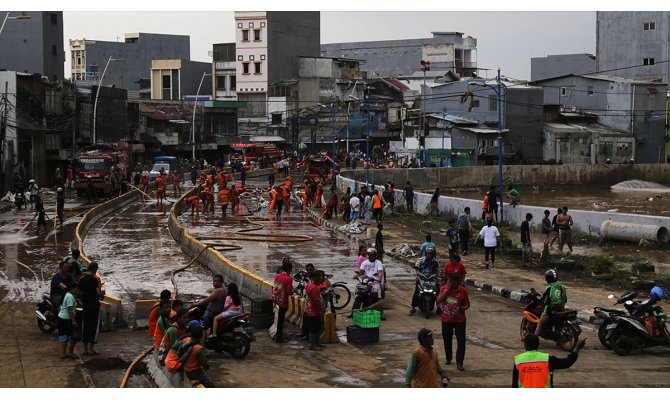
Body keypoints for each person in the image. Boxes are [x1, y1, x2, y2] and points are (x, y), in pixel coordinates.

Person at [513, 334, 586, 388]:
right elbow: (567, 363)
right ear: (538, 345)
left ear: (525, 345)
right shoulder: (548, 359)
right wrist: (577, 349)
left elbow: (514, 385)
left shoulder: (518, 361)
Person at [436, 274, 470, 371]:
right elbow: (438, 300)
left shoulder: (463, 291)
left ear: (458, 283)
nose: (453, 284)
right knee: (447, 339)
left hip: (459, 319)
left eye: (455, 283)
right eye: (451, 282)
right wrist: (447, 291)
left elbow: (467, 304)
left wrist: (463, 308)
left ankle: (459, 362)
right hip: (446, 319)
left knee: (461, 341)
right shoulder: (444, 289)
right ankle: (448, 357)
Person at [79, 261, 104, 356]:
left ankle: (85, 349)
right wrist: (102, 293)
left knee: (85, 326)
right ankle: (91, 349)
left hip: (85, 305)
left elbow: (78, 293)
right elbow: (98, 294)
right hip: (94, 306)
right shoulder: (96, 279)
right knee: (94, 326)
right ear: (95, 269)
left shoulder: (81, 279)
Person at [534, 269, 567, 336]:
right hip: (561, 309)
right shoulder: (562, 287)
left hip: (551, 311)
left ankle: (534, 338)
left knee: (540, 322)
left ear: (547, 278)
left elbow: (545, 301)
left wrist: (542, 304)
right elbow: (565, 299)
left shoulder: (549, 287)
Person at [409, 246, 440, 316]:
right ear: (426, 253)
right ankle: (413, 308)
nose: (430, 255)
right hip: (421, 279)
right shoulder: (420, 260)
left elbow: (438, 270)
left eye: (432, 254)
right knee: (416, 292)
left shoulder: (435, 262)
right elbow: (416, 268)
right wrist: (416, 272)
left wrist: (438, 276)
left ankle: (439, 308)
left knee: (438, 292)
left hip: (432, 279)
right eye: (429, 254)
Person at [272, 258, 293, 343]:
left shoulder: (277, 275)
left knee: (279, 318)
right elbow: (288, 292)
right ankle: (279, 337)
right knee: (281, 319)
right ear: (289, 269)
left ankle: (278, 335)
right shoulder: (289, 278)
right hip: (283, 301)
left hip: (276, 299)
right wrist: (292, 291)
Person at [305, 270, 326, 350]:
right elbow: (316, 301)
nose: (321, 278)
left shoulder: (311, 285)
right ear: (316, 277)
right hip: (314, 312)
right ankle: (313, 344)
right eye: (320, 277)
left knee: (317, 328)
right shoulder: (313, 287)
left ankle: (317, 342)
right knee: (314, 329)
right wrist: (321, 310)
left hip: (311, 310)